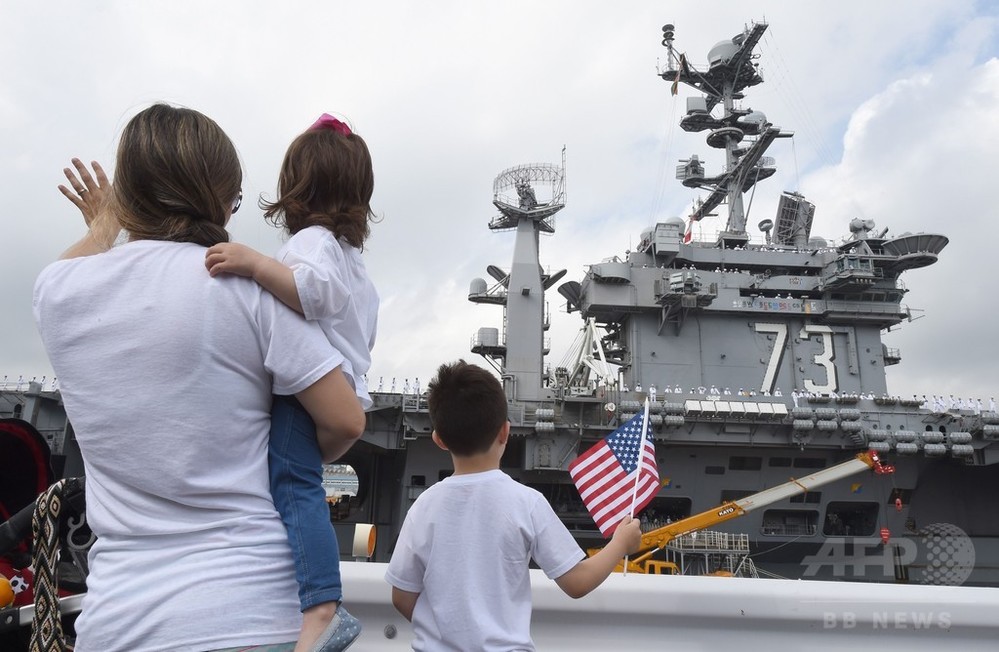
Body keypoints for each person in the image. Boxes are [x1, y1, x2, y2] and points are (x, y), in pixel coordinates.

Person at [35, 103, 366, 652]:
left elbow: (77, 261)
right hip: (252, 614)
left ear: (129, 192)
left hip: (116, 624)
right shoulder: (247, 287)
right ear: (217, 198)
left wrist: (105, 222)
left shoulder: (58, 294)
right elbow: (345, 419)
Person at [203, 113, 378, 652]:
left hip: (305, 392)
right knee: (296, 485)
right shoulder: (354, 262)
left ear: (297, 188)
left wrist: (255, 265)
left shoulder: (310, 244)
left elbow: (312, 295)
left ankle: (322, 604)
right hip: (339, 385)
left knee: (293, 486)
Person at [385, 360, 642, 651]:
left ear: (438, 439)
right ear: (505, 432)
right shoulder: (527, 502)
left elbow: (401, 596)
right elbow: (577, 582)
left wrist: (442, 633)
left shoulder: (423, 506)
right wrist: (620, 543)